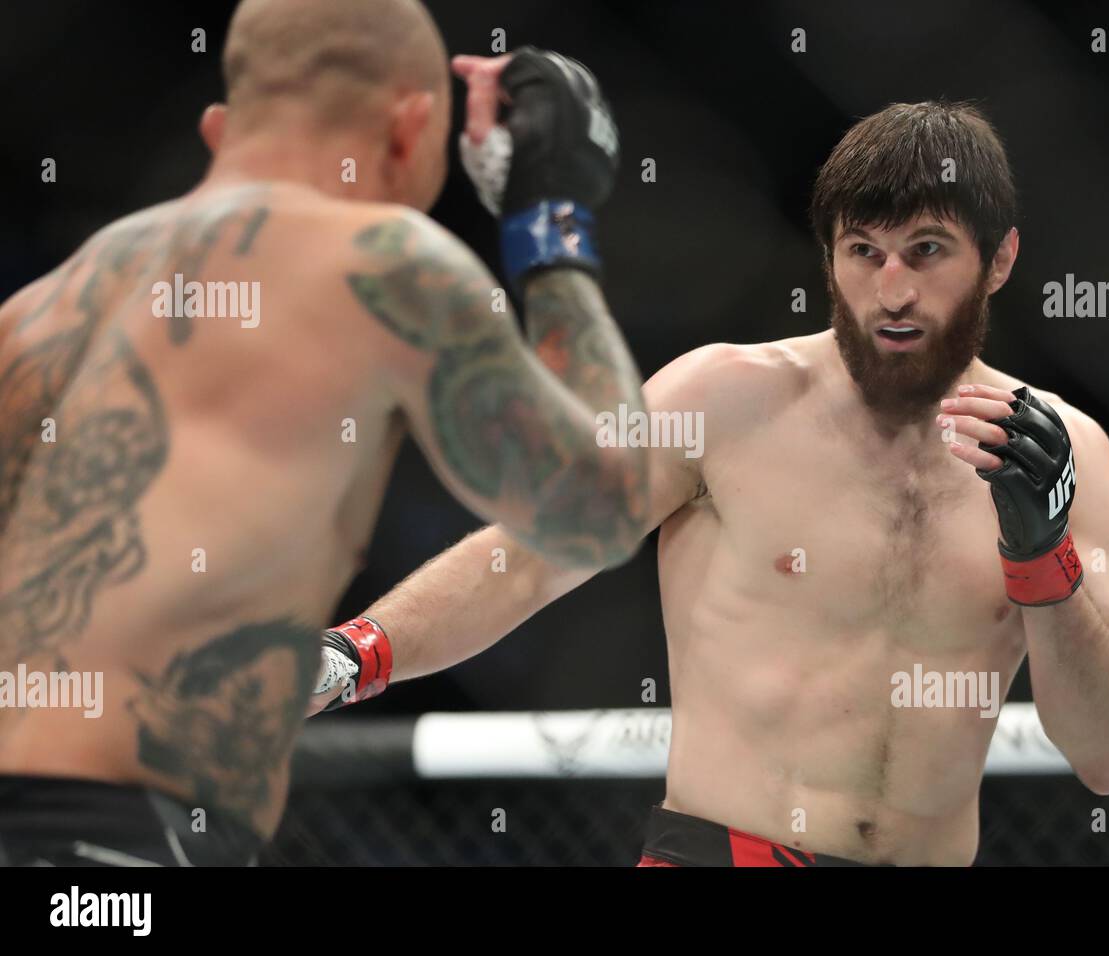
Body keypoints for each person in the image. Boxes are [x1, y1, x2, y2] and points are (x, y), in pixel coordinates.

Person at [313, 97, 1109, 867]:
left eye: (926, 251)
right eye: (864, 252)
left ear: (1000, 258)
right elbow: (532, 558)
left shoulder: (1066, 454)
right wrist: (353, 655)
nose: (892, 291)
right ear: (828, 257)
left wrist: (1042, 558)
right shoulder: (722, 400)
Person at [0, 0, 648, 866]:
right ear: (409, 129)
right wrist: (552, 220)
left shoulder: (35, 314)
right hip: (121, 838)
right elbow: (601, 509)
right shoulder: (382, 259)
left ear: (219, 126)